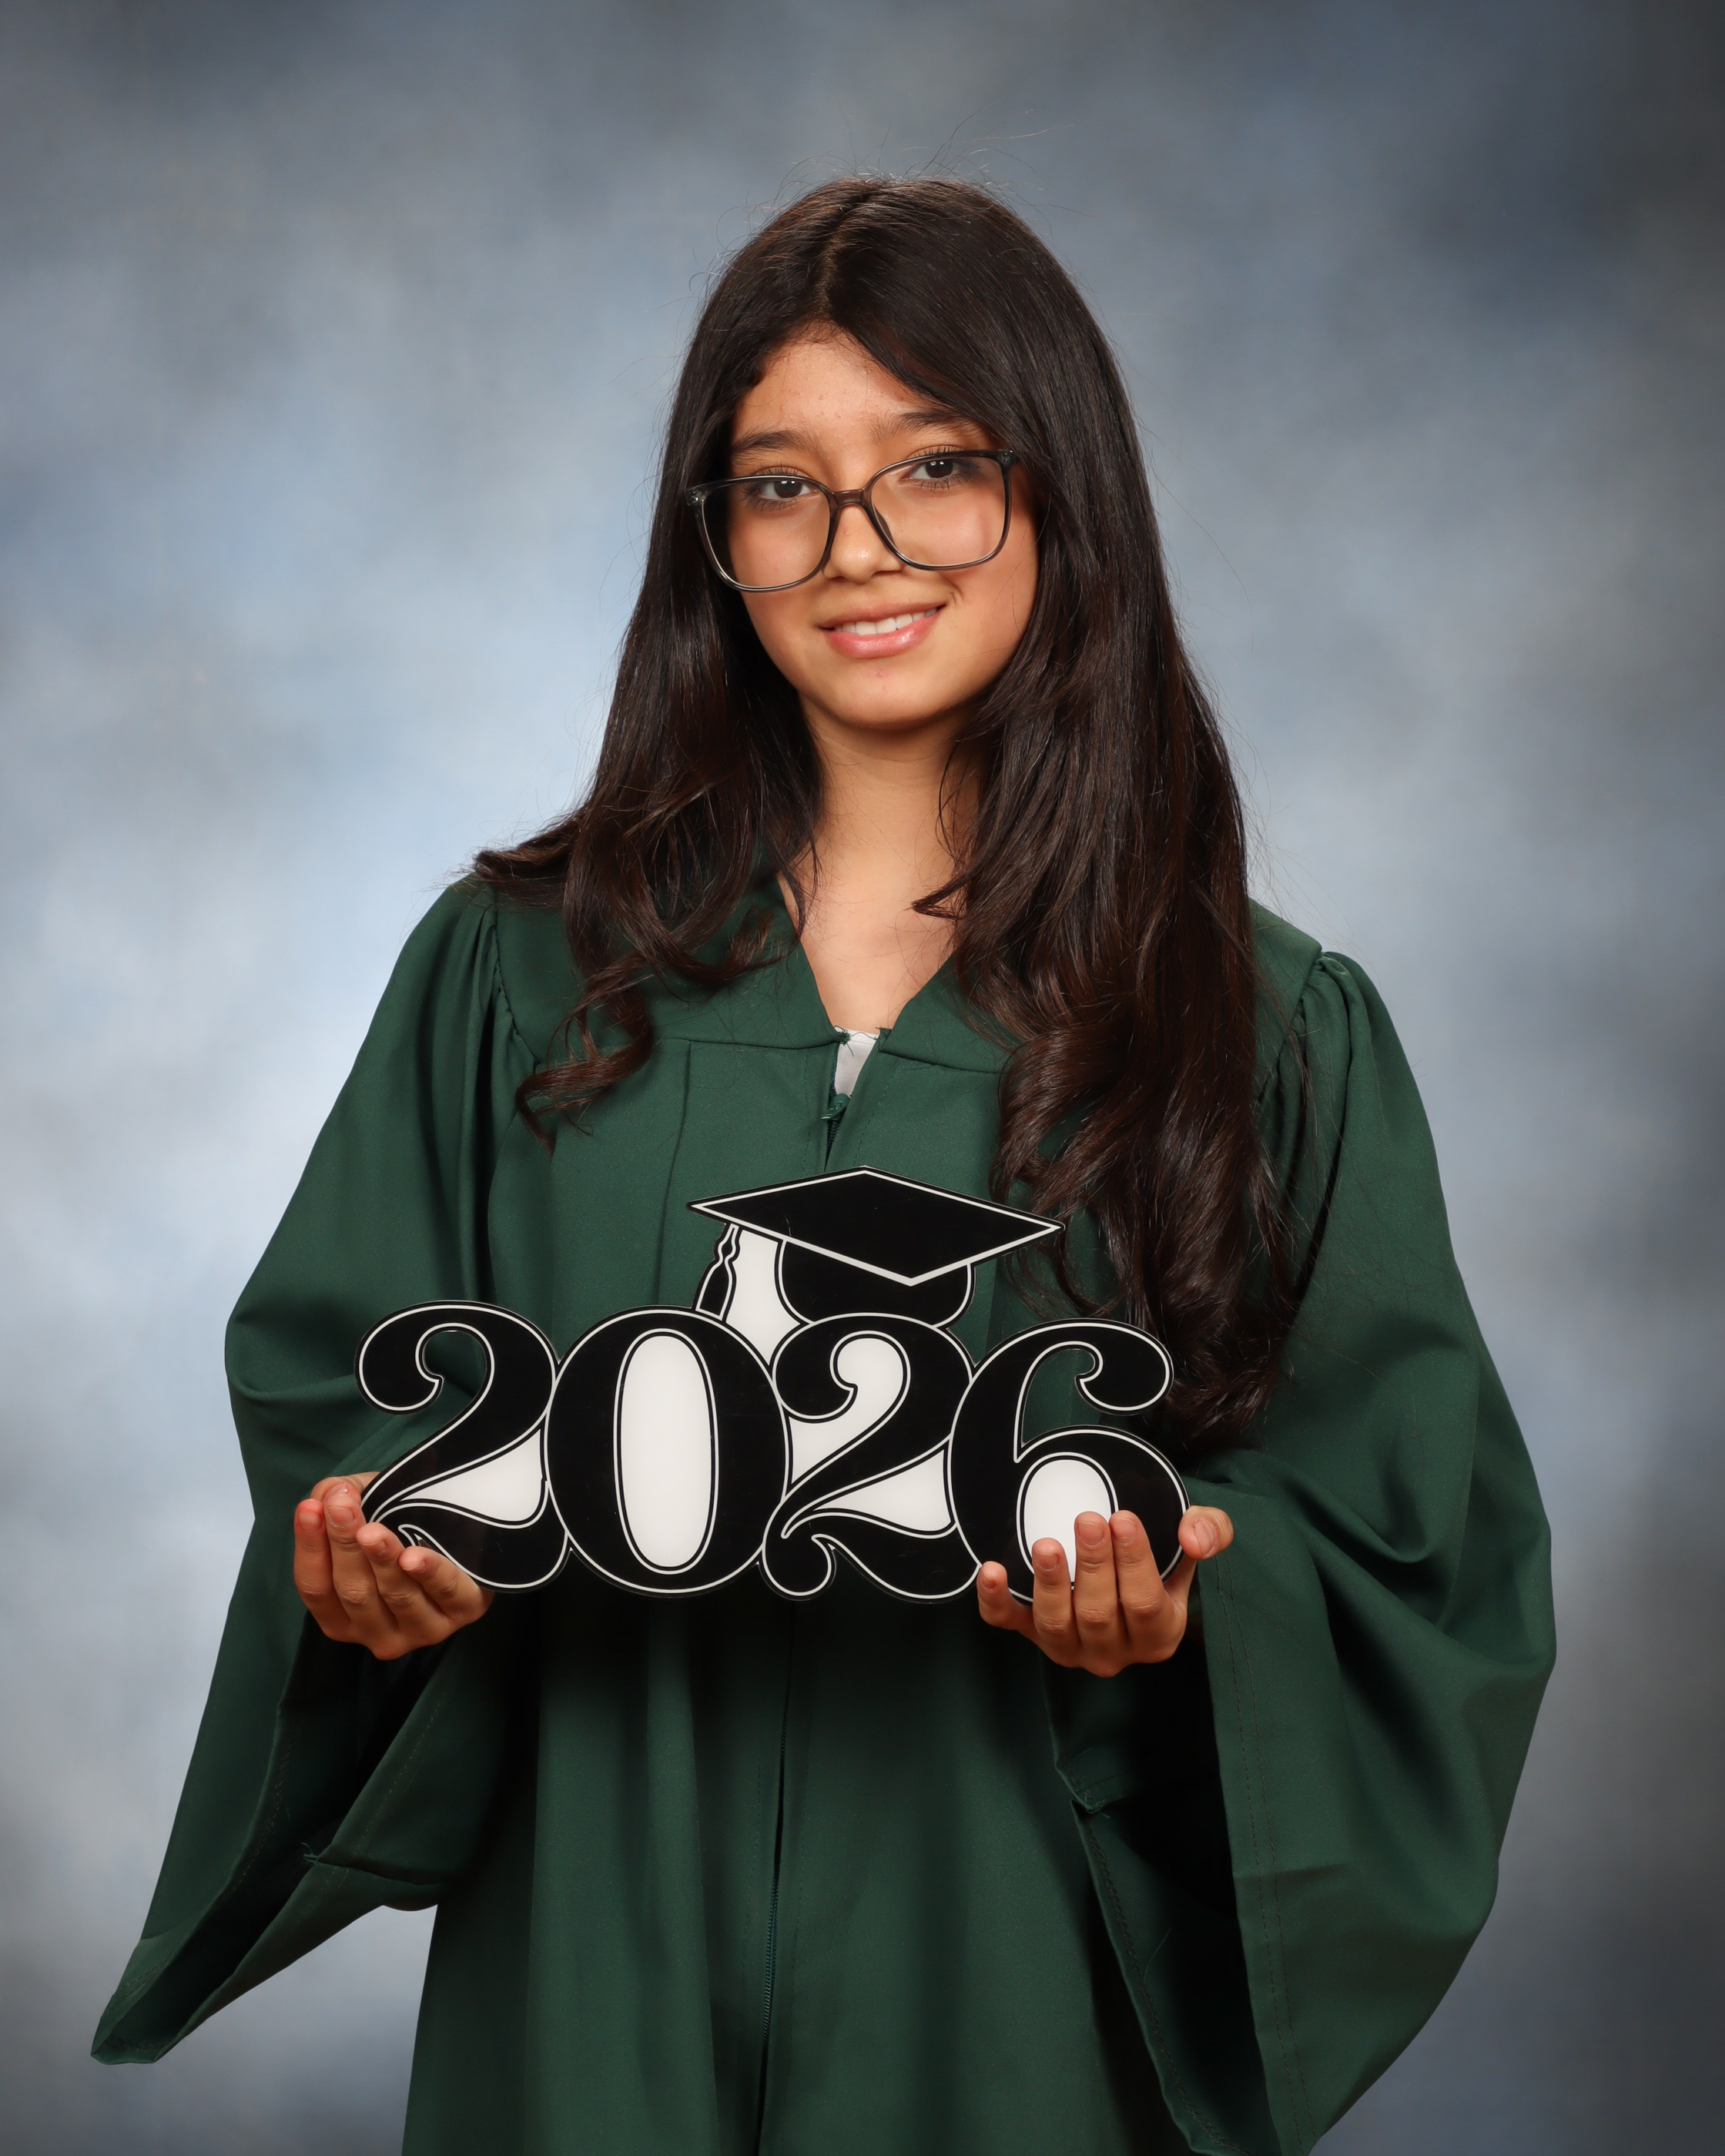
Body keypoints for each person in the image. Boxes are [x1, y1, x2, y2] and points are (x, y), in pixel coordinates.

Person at [93, 176, 1554, 2156]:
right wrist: (386, 1561)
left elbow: (1401, 1532)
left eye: (934, 466)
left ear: (1059, 491)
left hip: (1007, 1978)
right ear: (715, 539)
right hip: (588, 1948)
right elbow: (344, 1384)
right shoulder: (515, 976)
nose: (856, 545)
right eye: (782, 486)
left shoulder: (1253, 1023)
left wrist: (1189, 1604)